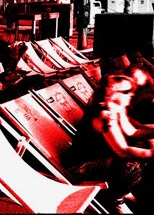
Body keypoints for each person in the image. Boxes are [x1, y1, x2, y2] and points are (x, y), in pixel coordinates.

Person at [64, 74, 154, 213]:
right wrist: (150, 153)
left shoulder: (118, 109)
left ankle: (125, 190)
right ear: (111, 93)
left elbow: (133, 132)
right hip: (81, 166)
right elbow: (122, 150)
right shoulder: (104, 115)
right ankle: (115, 199)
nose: (131, 94)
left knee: (141, 147)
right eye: (126, 91)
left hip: (103, 159)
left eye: (132, 90)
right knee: (132, 164)